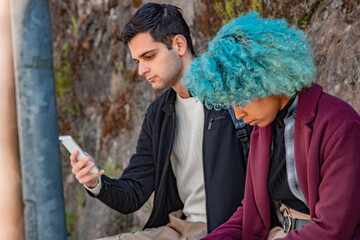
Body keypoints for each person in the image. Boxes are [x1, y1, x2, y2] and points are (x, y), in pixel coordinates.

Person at [70, 3, 250, 240]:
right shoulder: (159, 114)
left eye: (149, 56)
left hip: (229, 228)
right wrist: (96, 182)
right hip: (179, 229)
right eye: (137, 61)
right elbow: (134, 192)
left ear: (178, 45)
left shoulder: (231, 98)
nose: (141, 70)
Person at [185, 12, 360, 239]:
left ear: (268, 77)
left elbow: (332, 229)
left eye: (241, 98)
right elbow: (251, 211)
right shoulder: (263, 127)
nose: (238, 113)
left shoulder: (339, 125)